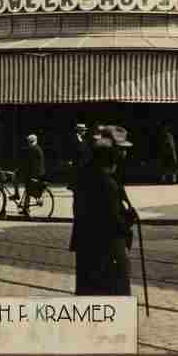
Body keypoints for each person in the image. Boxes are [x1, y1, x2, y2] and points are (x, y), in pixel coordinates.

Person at [69, 125, 137, 296]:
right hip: (106, 247)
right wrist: (128, 220)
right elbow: (111, 218)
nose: (124, 154)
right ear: (109, 151)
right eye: (121, 150)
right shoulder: (104, 179)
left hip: (90, 247)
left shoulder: (91, 173)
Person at [19, 133, 46, 217]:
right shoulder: (37, 148)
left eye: (29, 141)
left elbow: (31, 164)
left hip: (34, 174)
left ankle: (38, 200)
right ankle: (25, 209)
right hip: (37, 173)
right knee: (28, 191)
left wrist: (22, 171)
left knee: (30, 190)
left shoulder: (33, 149)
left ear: (31, 141)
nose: (28, 143)